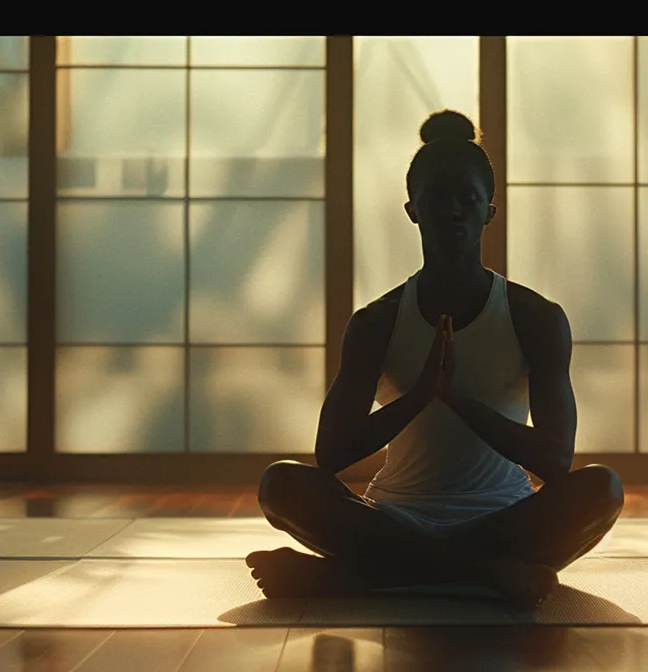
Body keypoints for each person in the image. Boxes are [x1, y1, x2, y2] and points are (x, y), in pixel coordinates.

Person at [246, 110, 624, 611]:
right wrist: (420, 396)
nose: (452, 212)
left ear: (489, 210)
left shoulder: (535, 317)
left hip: (502, 519)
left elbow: (556, 462)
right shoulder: (376, 321)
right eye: (436, 199)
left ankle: (366, 577)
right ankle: (480, 574)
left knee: (603, 489)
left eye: (467, 200)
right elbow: (331, 454)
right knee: (281, 483)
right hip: (395, 517)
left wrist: (460, 400)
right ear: (412, 209)